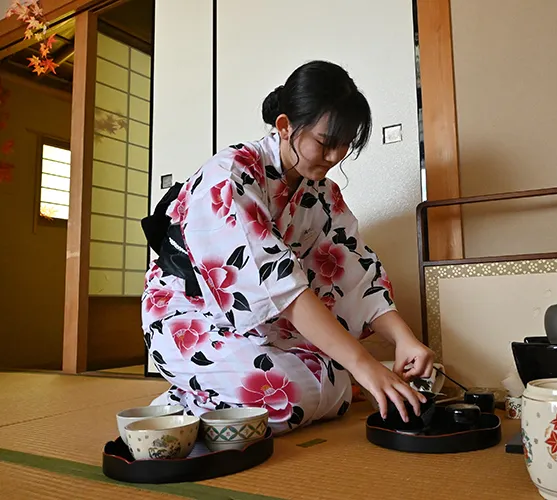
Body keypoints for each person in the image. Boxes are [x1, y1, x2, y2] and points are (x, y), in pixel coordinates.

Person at [140, 60, 434, 435]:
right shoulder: (230, 174)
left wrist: (404, 339)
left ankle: (208, 395)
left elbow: (356, 274)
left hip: (258, 324)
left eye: (345, 144)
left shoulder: (323, 193)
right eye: (326, 143)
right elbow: (275, 284)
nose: (336, 156)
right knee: (290, 395)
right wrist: (363, 364)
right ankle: (176, 406)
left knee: (335, 386)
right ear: (284, 126)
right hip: (188, 315)